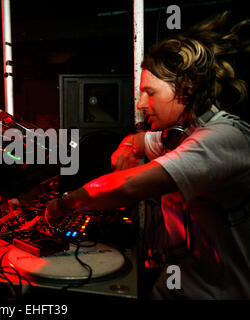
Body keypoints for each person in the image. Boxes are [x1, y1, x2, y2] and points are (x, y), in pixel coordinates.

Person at [45, 12, 249, 299]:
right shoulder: (182, 132)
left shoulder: (223, 139)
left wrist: (64, 204)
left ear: (186, 88)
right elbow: (137, 140)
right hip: (173, 287)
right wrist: (127, 148)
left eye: (150, 93)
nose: (141, 104)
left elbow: (128, 186)